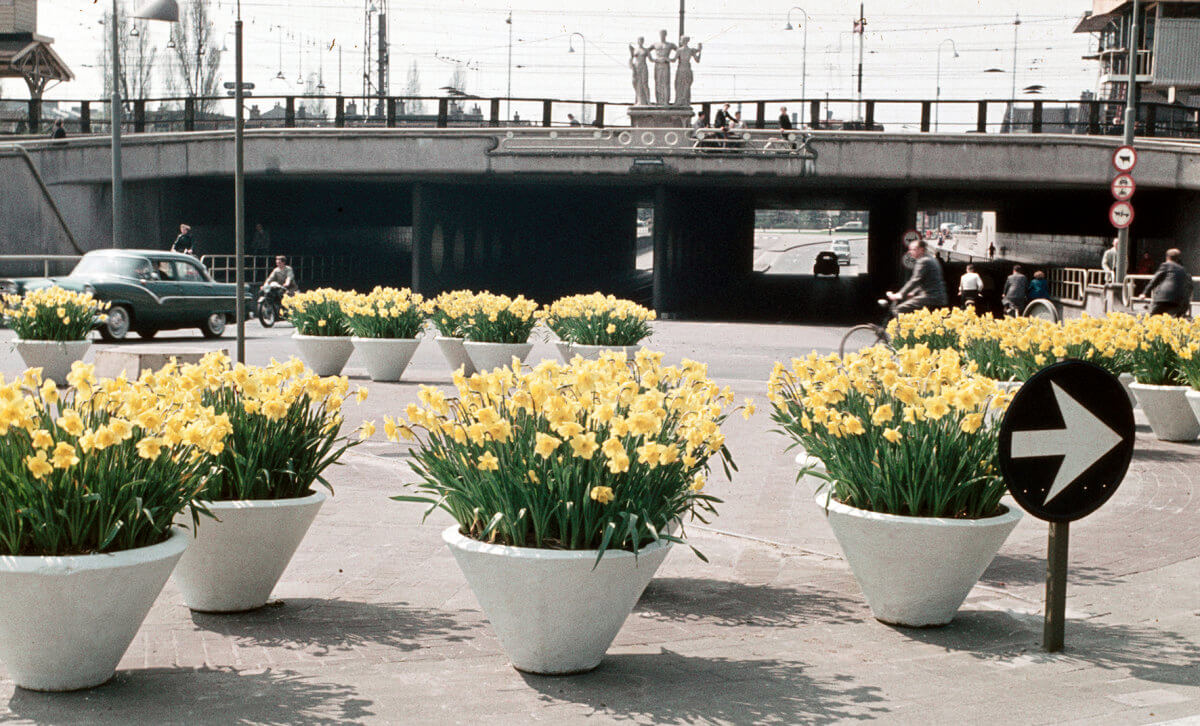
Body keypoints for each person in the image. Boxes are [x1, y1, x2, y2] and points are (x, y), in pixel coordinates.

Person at [887, 238, 947, 314]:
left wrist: (900, 294)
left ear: (921, 250)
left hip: (930, 297)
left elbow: (915, 280)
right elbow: (925, 281)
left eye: (913, 249)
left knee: (898, 309)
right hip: (938, 297)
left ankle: (901, 326)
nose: (910, 252)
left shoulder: (923, 261)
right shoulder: (931, 259)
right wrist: (913, 293)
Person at [1143, 248, 1193, 318]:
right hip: (1178, 300)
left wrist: (1144, 293)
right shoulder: (1183, 270)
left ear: (1167, 257)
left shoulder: (1166, 265)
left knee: (1152, 319)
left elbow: (1154, 280)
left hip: (1163, 297)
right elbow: (1190, 286)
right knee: (1174, 321)